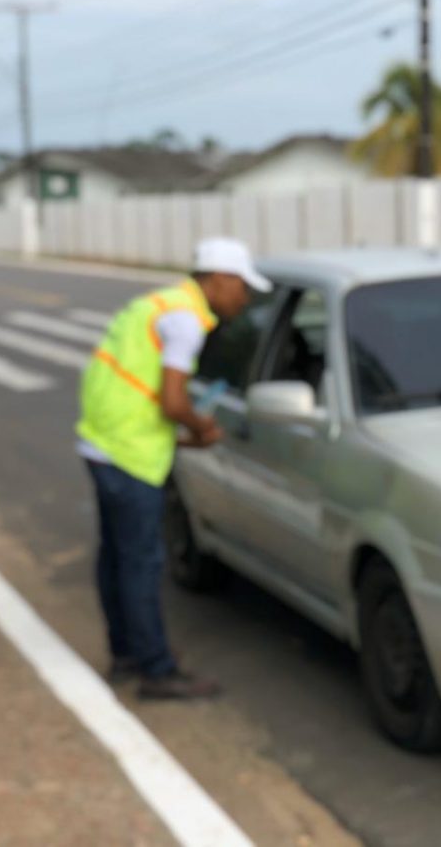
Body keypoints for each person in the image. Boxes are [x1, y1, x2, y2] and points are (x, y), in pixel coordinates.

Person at [77, 237, 272, 701]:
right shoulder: (186, 322)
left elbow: (141, 390)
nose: (244, 300)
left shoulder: (157, 304)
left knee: (116, 556)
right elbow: (172, 399)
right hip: (131, 455)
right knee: (142, 563)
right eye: (242, 288)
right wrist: (202, 427)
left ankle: (125, 654)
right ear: (219, 280)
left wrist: (181, 436)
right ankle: (157, 671)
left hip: (103, 442)